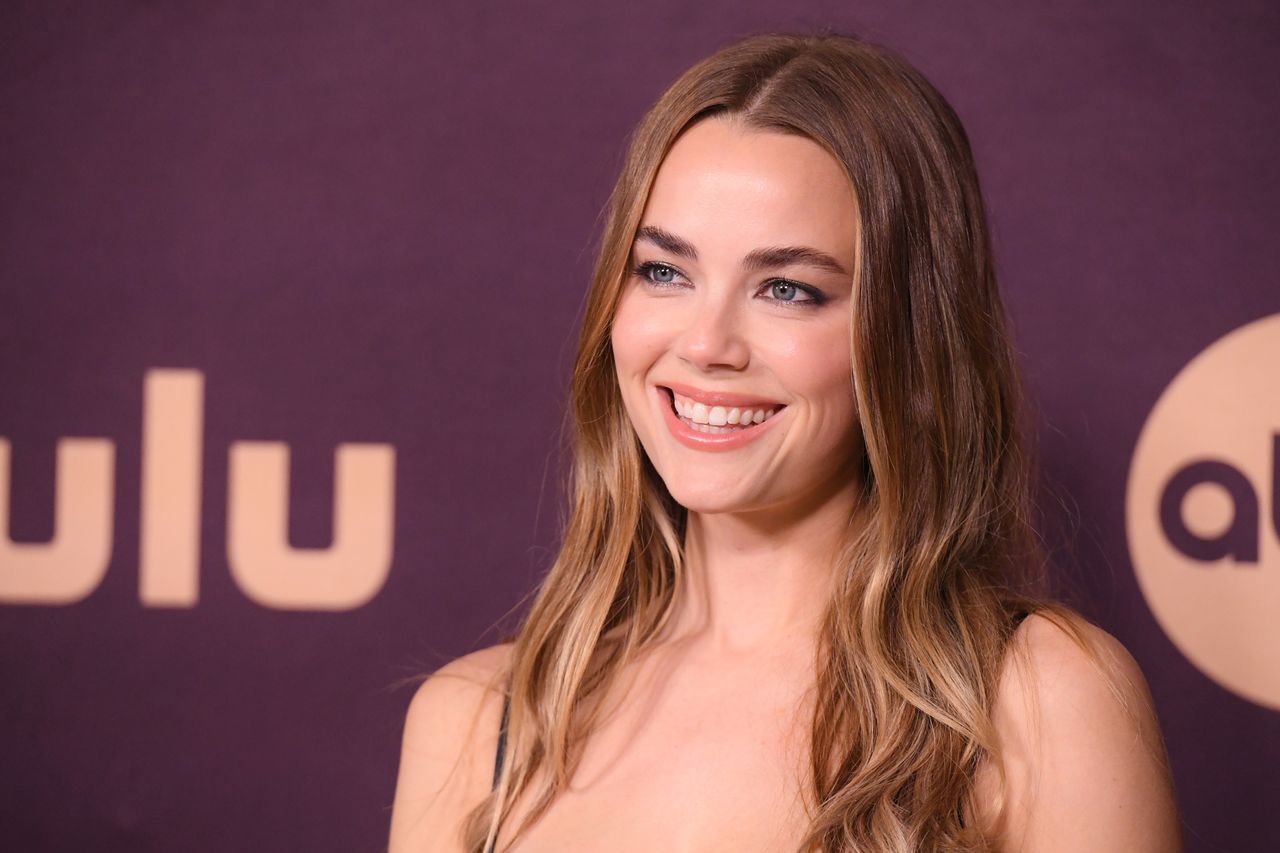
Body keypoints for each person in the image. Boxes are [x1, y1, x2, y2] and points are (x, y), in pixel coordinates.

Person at [387, 31, 1183, 853]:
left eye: (787, 288)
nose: (706, 344)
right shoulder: (477, 725)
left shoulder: (1039, 699)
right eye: (664, 270)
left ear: (908, 344)